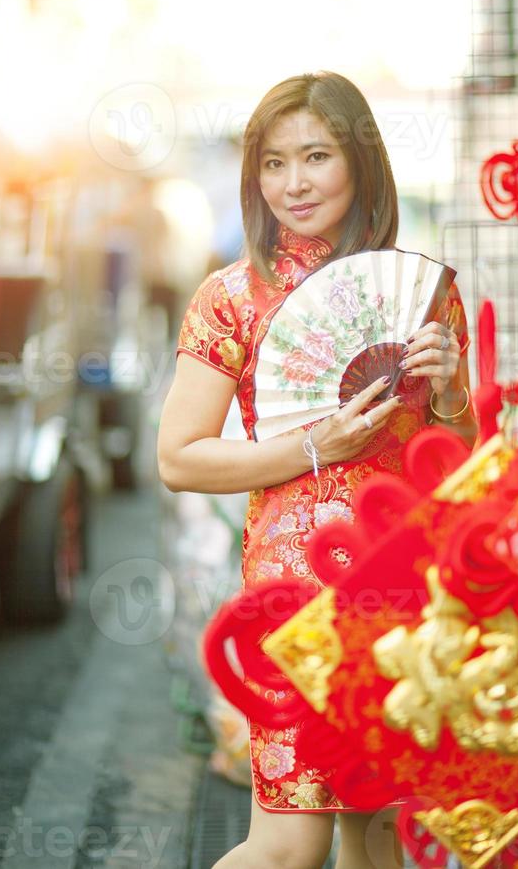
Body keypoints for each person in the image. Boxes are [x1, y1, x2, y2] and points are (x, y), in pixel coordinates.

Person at [158, 71, 477, 869]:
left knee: (376, 835)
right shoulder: (231, 297)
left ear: (360, 163)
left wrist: (454, 393)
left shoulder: (424, 292)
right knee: (287, 846)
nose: (292, 183)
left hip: (400, 585)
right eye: (272, 163)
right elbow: (178, 457)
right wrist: (312, 449)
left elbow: (458, 465)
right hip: (294, 597)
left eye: (315, 156)